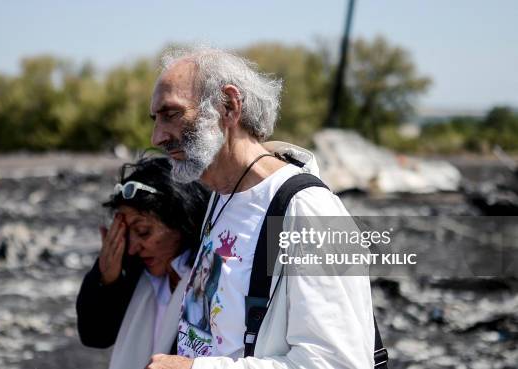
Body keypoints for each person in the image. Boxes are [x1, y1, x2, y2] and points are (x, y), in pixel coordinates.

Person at [146, 47, 378, 369]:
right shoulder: (220, 194)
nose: (157, 136)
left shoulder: (308, 211)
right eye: (155, 119)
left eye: (171, 114)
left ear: (228, 106)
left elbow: (339, 363)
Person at [76, 156, 210, 369]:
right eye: (127, 234)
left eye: (143, 231)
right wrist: (106, 280)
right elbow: (95, 335)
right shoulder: (133, 270)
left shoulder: (210, 277)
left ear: (183, 221)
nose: (133, 247)